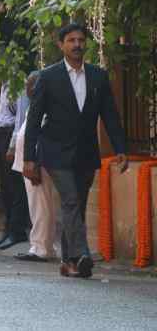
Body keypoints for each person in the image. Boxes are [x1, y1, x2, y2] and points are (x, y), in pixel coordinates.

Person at [24, 23, 127, 279]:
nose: (77, 44)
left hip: (85, 152)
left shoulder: (98, 76)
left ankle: (69, 262)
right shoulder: (48, 77)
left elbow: (110, 116)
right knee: (70, 200)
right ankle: (83, 255)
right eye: (71, 40)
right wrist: (29, 158)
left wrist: (120, 148)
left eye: (81, 40)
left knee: (77, 206)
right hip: (55, 152)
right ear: (61, 45)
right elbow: (34, 119)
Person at [13, 71, 58, 262]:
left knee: (41, 207)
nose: (28, 89)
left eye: (32, 85)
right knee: (40, 207)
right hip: (29, 164)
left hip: (37, 166)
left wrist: (35, 164)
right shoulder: (34, 106)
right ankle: (45, 246)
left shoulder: (47, 107)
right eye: (28, 85)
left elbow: (42, 137)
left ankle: (40, 248)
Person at [0, 82, 29, 250]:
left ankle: (17, 230)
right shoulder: (5, 84)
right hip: (1, 134)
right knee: (5, 186)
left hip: (10, 136)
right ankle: (8, 228)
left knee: (15, 185)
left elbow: (20, 118)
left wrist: (13, 146)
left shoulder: (18, 84)